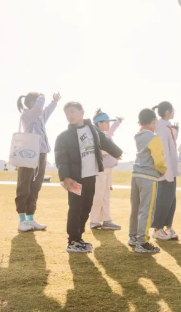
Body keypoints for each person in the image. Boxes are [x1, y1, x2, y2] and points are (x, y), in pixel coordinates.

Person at [55, 102, 122, 253]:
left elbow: (105, 142)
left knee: (86, 207)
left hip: (91, 175)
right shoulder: (63, 136)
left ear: (82, 112)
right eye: (67, 113)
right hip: (75, 178)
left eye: (72, 111)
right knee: (75, 208)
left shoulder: (93, 129)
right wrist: (65, 177)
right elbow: (61, 159)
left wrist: (117, 153)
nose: (70, 116)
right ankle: (72, 241)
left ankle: (79, 237)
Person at [15, 92, 61, 233]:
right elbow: (39, 109)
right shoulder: (27, 115)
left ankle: (31, 218)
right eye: (36, 101)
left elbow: (46, 111)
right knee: (24, 186)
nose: (40, 103)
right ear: (30, 103)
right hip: (28, 154)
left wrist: (54, 101)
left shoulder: (39, 116)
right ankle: (22, 220)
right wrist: (41, 96)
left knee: (35, 186)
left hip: (41, 154)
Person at [127, 108, 168, 254]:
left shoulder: (138, 136)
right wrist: (163, 170)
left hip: (136, 175)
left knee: (135, 208)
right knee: (146, 210)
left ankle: (133, 237)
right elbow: (159, 160)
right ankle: (142, 242)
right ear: (154, 121)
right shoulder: (153, 138)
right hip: (148, 177)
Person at [150, 101, 180, 242]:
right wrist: (166, 173)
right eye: (173, 110)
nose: (174, 112)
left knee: (171, 200)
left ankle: (168, 227)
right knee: (163, 200)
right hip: (165, 173)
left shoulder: (166, 127)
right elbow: (163, 152)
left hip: (171, 171)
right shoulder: (161, 128)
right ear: (167, 112)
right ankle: (157, 229)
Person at [89, 109, 123, 230]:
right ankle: (94, 221)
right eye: (106, 122)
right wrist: (107, 152)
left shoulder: (106, 134)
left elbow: (112, 129)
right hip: (99, 169)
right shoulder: (94, 135)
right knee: (98, 195)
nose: (108, 124)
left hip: (108, 168)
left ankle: (107, 220)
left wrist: (118, 122)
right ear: (99, 123)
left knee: (106, 195)